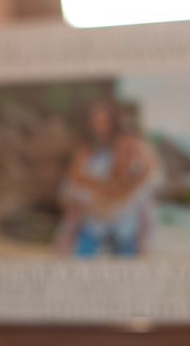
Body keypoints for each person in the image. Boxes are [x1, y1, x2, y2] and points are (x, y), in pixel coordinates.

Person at [56, 99, 159, 256]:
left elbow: (144, 176)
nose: (100, 127)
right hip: (94, 228)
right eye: (96, 122)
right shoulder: (89, 153)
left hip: (124, 231)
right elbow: (74, 185)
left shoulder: (131, 152)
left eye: (104, 122)